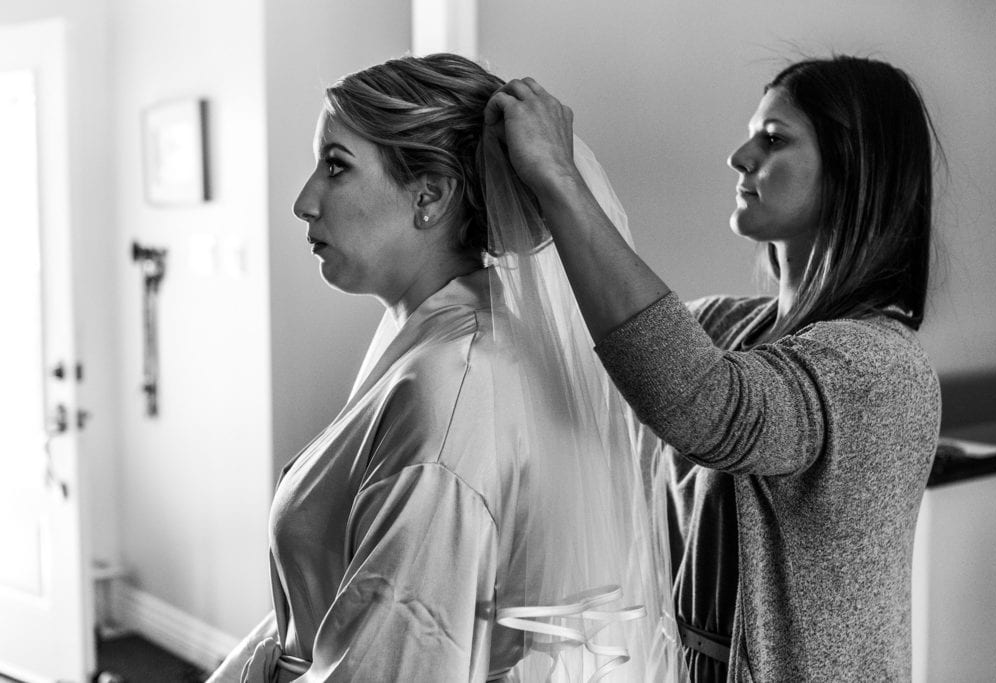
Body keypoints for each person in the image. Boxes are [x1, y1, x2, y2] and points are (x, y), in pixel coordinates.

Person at [207, 53, 682, 682]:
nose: (304, 201)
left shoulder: (446, 389)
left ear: (429, 195)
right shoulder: (430, 341)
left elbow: (395, 661)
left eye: (335, 167)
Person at [485, 55, 942, 681]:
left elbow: (698, 401)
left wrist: (560, 181)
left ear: (853, 168)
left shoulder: (879, 367)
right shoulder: (733, 330)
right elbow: (618, 349)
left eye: (774, 139)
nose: (741, 156)